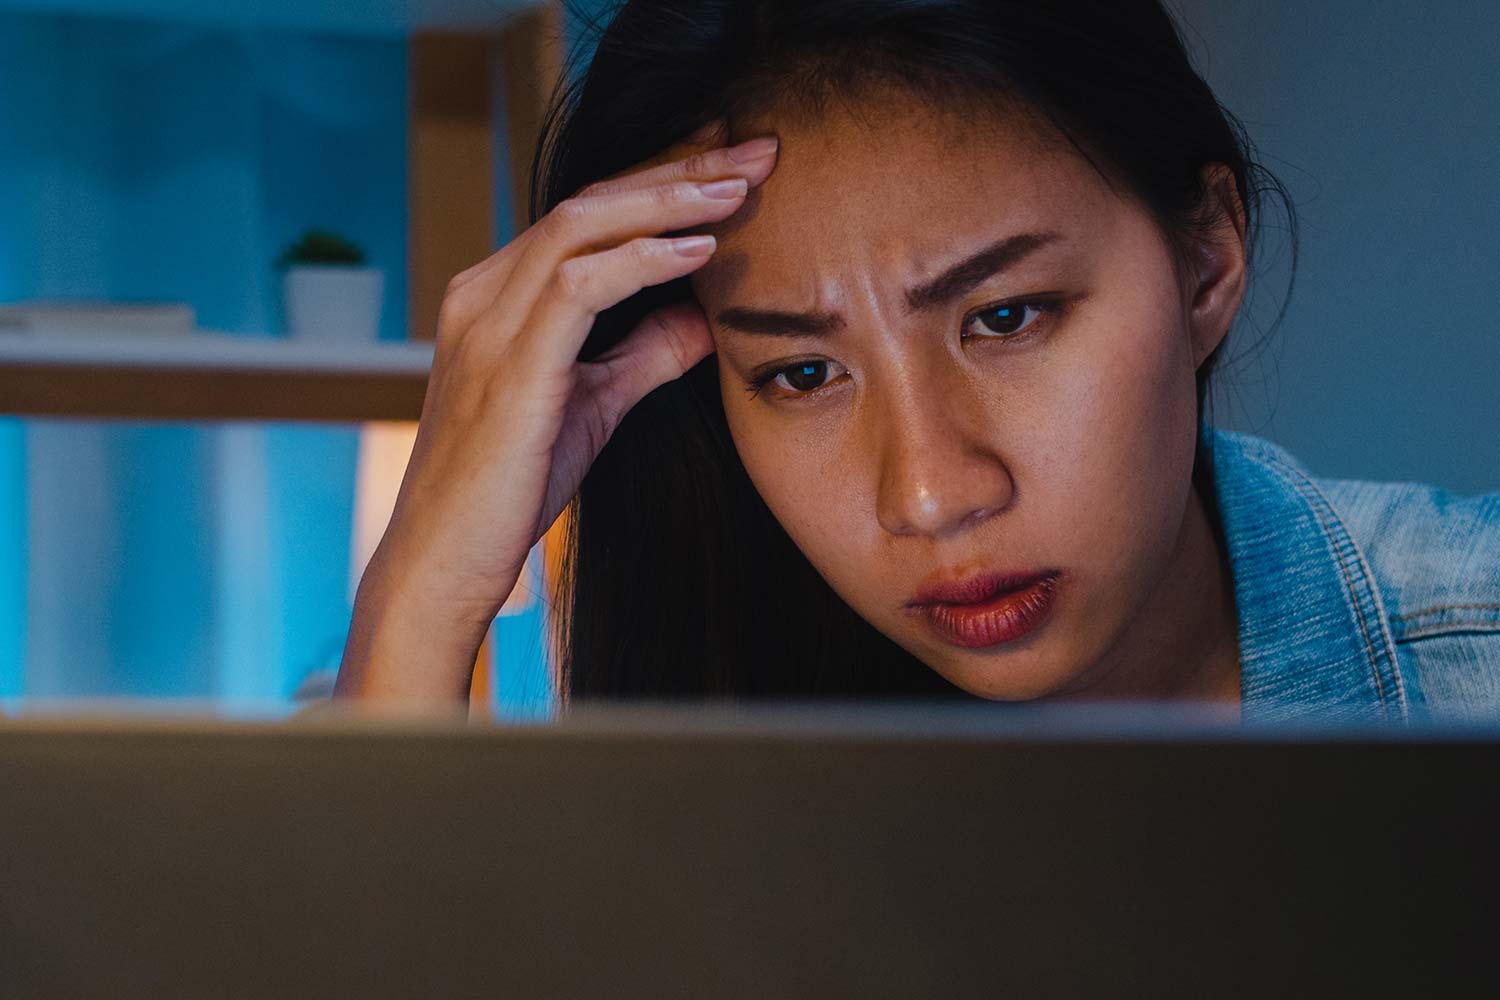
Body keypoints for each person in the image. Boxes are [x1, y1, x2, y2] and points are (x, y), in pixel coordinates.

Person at [333, 0, 1500, 722]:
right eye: (801, 374)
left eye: (1006, 317)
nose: (932, 494)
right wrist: (416, 607)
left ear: (1206, 260)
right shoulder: (690, 811)